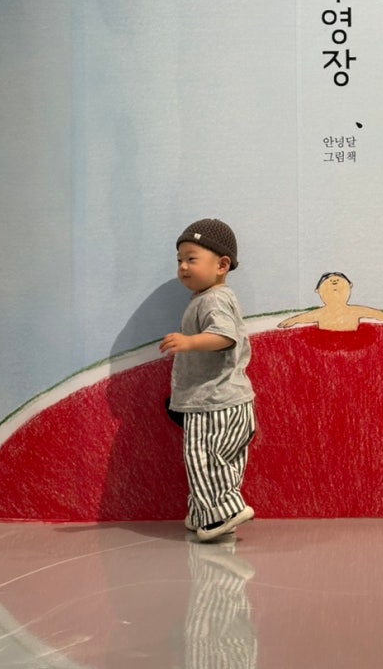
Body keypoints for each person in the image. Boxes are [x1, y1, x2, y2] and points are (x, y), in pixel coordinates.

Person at [160, 218, 256, 542]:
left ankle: (221, 514)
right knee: (220, 460)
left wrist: (189, 342)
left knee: (202, 458)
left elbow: (225, 336)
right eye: (179, 260)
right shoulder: (209, 298)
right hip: (228, 400)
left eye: (191, 258)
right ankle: (203, 513)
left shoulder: (213, 299)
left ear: (222, 265)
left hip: (213, 401)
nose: (183, 267)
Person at [278, 271, 383, 332]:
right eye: (328, 280)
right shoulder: (320, 313)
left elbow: (374, 313)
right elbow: (301, 318)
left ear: (350, 286)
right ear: (318, 291)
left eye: (339, 279)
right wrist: (291, 321)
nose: (334, 281)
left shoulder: (354, 310)